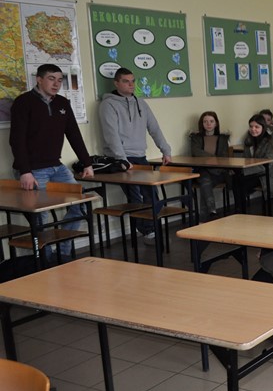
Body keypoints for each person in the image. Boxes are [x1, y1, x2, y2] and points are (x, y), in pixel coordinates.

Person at [9, 64, 94, 262]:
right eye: (51, 79)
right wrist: (25, 171)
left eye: (59, 80)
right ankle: (45, 262)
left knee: (79, 205)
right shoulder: (23, 102)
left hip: (57, 167)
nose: (56, 84)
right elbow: (16, 140)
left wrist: (87, 163)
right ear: (39, 80)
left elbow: (74, 134)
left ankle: (62, 252)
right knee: (41, 218)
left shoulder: (62, 103)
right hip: (32, 170)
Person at [99, 67, 172, 244]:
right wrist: (122, 159)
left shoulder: (141, 103)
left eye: (133, 81)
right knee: (135, 197)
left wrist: (165, 150)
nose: (131, 85)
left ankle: (153, 228)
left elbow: (154, 128)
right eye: (126, 81)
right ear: (116, 83)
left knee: (152, 194)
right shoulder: (108, 105)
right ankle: (147, 232)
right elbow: (111, 134)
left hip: (140, 156)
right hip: (121, 158)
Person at [189, 111, 231, 221]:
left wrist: (212, 160)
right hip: (201, 170)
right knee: (205, 179)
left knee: (205, 182)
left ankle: (206, 218)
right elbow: (196, 152)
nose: (208, 124)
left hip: (218, 172)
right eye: (205, 121)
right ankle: (212, 213)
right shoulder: (196, 138)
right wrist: (213, 158)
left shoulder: (222, 138)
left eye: (211, 121)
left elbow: (223, 157)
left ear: (216, 123)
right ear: (201, 124)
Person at [241, 114, 273, 201]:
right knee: (236, 179)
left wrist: (244, 171)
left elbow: (267, 164)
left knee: (242, 182)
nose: (253, 129)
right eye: (251, 126)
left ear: (263, 128)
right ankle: (239, 207)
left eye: (256, 127)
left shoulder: (271, 141)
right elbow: (245, 159)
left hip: (271, 175)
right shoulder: (249, 140)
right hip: (256, 172)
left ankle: (240, 207)